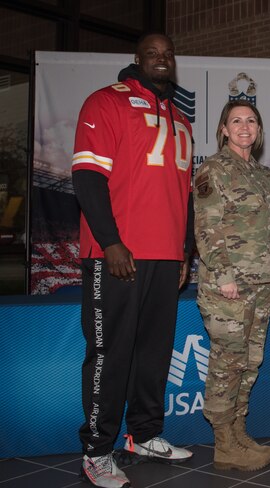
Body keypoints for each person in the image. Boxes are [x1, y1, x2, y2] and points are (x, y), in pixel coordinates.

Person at [72, 32, 194, 488]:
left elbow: (182, 197)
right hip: (118, 255)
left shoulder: (181, 118)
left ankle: (144, 434)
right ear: (136, 59)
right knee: (110, 354)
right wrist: (111, 242)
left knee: (153, 354)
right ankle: (97, 450)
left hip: (165, 257)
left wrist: (184, 250)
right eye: (152, 54)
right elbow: (86, 179)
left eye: (168, 54)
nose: (162, 60)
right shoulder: (106, 102)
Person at [194, 100, 270, 471]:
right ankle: (223, 444)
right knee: (226, 364)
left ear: (259, 130)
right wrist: (225, 275)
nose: (245, 127)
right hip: (228, 287)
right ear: (224, 130)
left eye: (251, 121)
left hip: (261, 284)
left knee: (250, 362)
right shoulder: (214, 169)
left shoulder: (265, 176)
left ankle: (237, 430)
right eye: (237, 121)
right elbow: (206, 228)